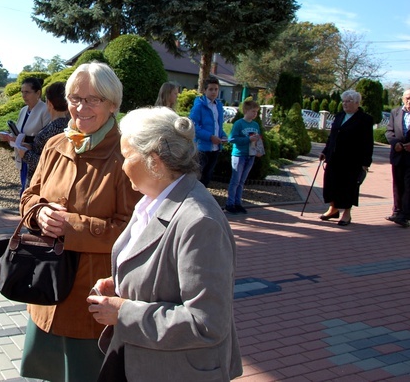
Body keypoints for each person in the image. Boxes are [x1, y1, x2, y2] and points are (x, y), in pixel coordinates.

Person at [87, 107, 242, 381]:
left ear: (154, 162)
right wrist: (123, 284)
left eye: (125, 156)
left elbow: (206, 322)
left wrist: (123, 311)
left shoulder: (199, 221)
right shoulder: (152, 200)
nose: (120, 165)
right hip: (140, 359)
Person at [18, 62, 142, 382]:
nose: (80, 107)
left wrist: (71, 227)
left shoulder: (127, 156)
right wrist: (38, 213)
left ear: (113, 104)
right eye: (75, 98)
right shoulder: (55, 144)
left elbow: (134, 230)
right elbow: (29, 197)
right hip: (46, 290)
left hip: (90, 302)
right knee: (49, 375)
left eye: (93, 99)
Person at [319, 90, 374, 227]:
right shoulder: (339, 116)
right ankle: (333, 209)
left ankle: (346, 214)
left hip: (352, 160)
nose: (345, 104)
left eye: (348, 101)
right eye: (343, 101)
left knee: (348, 187)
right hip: (334, 157)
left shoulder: (365, 119)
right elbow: (331, 136)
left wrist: (366, 163)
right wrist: (325, 151)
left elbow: (368, 142)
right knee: (331, 184)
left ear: (357, 103)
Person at [0, 77, 50, 194]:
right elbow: (19, 132)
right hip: (22, 158)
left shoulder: (45, 110)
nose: (23, 95)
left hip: (35, 158)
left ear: (38, 93)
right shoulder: (23, 110)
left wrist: (22, 139)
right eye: (22, 92)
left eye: (27, 92)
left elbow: (45, 138)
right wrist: (8, 136)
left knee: (31, 193)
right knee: (24, 190)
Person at [19, 81, 70, 186]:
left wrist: (25, 154)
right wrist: (31, 146)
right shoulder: (68, 124)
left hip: (42, 184)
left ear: (49, 103)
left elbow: (47, 163)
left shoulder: (54, 128)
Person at [225, 100, 262, 214]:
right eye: (253, 111)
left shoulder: (255, 125)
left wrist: (259, 150)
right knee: (235, 180)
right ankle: (230, 203)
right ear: (246, 111)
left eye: (257, 112)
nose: (255, 114)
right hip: (239, 155)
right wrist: (247, 139)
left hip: (250, 155)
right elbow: (232, 139)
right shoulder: (239, 124)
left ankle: (238, 202)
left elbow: (258, 139)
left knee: (242, 181)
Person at [189, 77, 228, 187]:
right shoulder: (199, 106)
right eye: (210, 89)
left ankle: (203, 200)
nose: (214, 92)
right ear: (205, 90)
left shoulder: (218, 105)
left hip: (215, 148)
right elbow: (193, 125)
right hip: (202, 147)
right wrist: (210, 137)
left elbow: (217, 125)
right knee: (198, 177)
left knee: (207, 176)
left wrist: (223, 136)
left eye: (216, 89)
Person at [385, 89, 410, 228]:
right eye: (407, 98)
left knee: (408, 186)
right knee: (397, 184)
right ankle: (397, 211)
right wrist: (395, 144)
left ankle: (406, 215)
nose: (409, 101)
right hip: (398, 154)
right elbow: (389, 131)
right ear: (402, 98)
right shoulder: (395, 112)